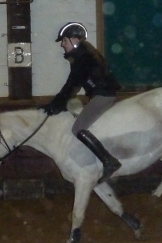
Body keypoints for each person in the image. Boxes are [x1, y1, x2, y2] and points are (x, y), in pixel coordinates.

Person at [40, 22, 122, 183]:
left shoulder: (84, 57)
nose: (62, 45)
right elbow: (72, 86)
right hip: (100, 94)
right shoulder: (83, 55)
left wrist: (55, 105)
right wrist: (56, 104)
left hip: (103, 95)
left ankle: (109, 161)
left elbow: (71, 85)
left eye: (64, 40)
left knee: (78, 128)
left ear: (75, 40)